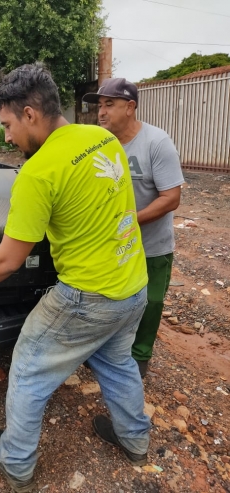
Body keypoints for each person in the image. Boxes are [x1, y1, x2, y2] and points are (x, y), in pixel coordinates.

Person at [0, 63, 150, 493]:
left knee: (28, 370)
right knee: (117, 364)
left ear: (30, 114)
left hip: (88, 297)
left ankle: (16, 465)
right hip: (132, 282)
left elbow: (7, 261)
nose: (6, 136)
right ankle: (135, 441)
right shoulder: (101, 138)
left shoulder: (38, 174)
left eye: (6, 124)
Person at [83, 78, 184, 378]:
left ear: (130, 107)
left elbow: (171, 198)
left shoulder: (156, 142)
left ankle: (139, 357)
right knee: (110, 298)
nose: (101, 112)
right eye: (99, 106)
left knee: (150, 302)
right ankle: (106, 350)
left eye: (109, 105)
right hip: (111, 245)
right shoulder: (99, 143)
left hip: (152, 245)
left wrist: (128, 222)